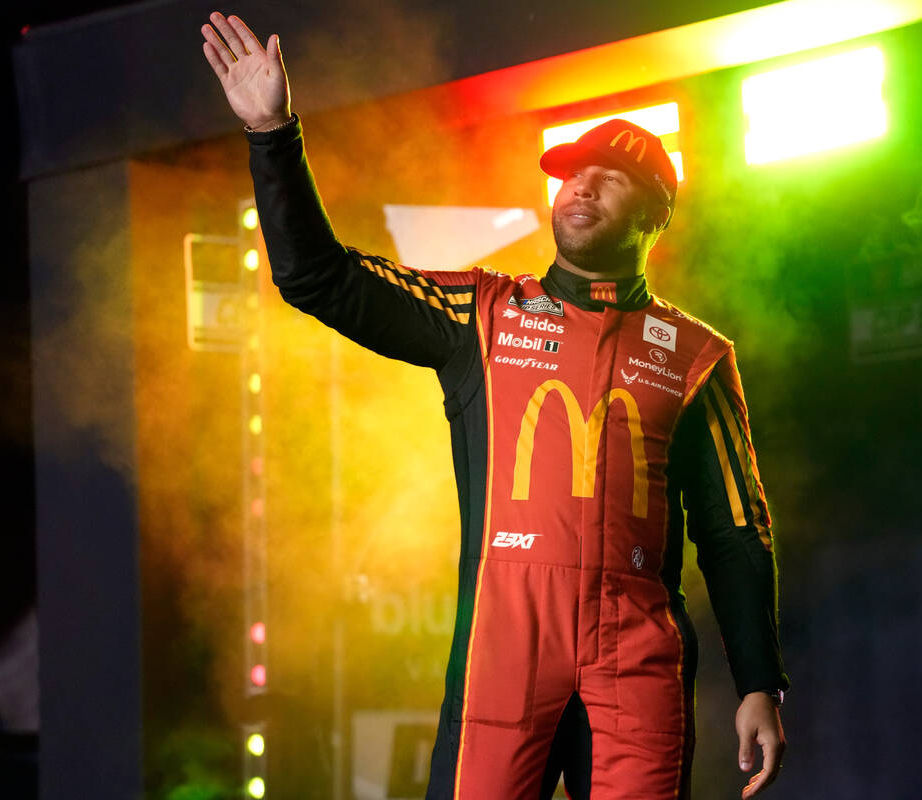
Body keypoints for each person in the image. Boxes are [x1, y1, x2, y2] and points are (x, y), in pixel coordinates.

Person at [202, 11, 788, 799]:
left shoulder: (697, 356)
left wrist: (760, 681)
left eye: (610, 177)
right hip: (503, 652)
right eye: (572, 172)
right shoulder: (481, 313)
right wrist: (273, 134)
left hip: (638, 660)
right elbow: (319, 279)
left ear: (653, 215)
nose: (581, 186)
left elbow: (735, 530)